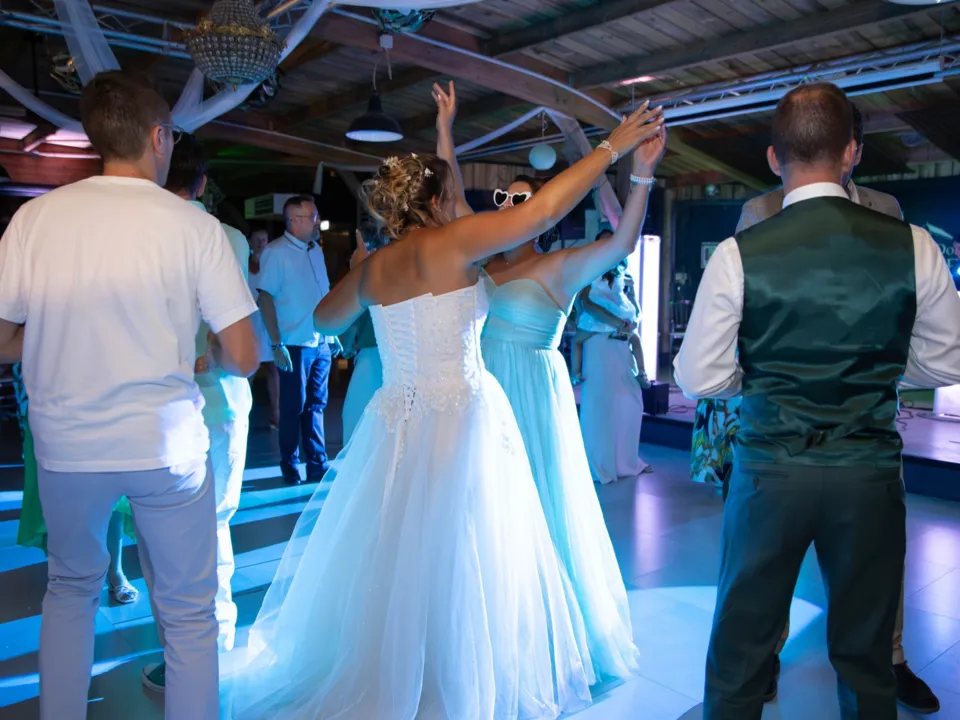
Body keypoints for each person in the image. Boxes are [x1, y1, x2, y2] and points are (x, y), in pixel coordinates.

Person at [226, 84, 664, 719]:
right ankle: (453, 680)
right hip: (462, 416)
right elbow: (543, 211)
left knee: (398, 549)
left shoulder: (376, 268)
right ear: (434, 202)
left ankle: (400, 670)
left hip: (396, 424)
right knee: (467, 552)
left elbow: (323, 318)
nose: (458, 202)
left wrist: (359, 269)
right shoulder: (457, 244)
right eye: (449, 194)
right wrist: (611, 148)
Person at [675, 83, 960, 720]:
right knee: (867, 657)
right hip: (868, 474)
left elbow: (698, 377)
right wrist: (878, 369)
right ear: (851, 151)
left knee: (741, 651)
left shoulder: (739, 252)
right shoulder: (913, 244)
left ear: (774, 158)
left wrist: (763, 378)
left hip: (768, 475)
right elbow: (949, 361)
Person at [0, 71, 259, 720]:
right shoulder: (194, 227)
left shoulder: (35, 219)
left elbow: (2, 339)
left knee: (69, 592)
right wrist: (205, 348)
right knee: (189, 615)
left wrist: (60, 340)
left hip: (67, 447)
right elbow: (245, 356)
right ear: (158, 137)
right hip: (166, 447)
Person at [470, 78, 666, 680]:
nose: (512, 209)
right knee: (483, 511)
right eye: (505, 200)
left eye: (525, 201)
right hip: (480, 393)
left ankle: (540, 634)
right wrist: (447, 136)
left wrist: (640, 175)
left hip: (530, 395)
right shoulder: (480, 265)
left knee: (533, 507)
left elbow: (624, 240)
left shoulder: (560, 265)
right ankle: (487, 626)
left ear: (544, 215)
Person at [138, 134, 254, 695]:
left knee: (158, 530)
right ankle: (213, 650)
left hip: (155, 399)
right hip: (219, 390)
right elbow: (238, 335)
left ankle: (177, 653)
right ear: (204, 183)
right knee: (214, 523)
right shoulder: (226, 236)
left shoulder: (140, 235)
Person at [256, 195, 334, 485]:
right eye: (313, 217)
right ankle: (290, 466)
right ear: (294, 221)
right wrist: (276, 344)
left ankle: (317, 464)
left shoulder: (316, 251)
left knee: (316, 405)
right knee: (293, 408)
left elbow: (322, 293)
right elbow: (265, 298)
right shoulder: (275, 253)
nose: (318, 221)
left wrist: (332, 332)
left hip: (320, 341)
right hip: (293, 343)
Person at [570, 252, 648, 389]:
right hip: (620, 313)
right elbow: (631, 299)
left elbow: (581, 300)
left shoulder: (592, 274)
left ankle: (575, 373)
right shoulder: (622, 274)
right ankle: (642, 372)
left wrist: (578, 315)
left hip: (598, 317)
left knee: (577, 341)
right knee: (635, 340)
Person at [338, 226, 385, 445]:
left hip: (374, 353)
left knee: (358, 418)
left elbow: (342, 317)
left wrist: (355, 272)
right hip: (396, 354)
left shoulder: (368, 275)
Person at [247, 227, 280, 428]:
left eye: (264, 239)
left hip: (267, 320)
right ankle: (244, 412)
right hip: (251, 321)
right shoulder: (243, 264)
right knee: (249, 368)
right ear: (250, 242)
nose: (261, 243)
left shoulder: (272, 264)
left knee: (272, 368)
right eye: (257, 239)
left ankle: (276, 413)